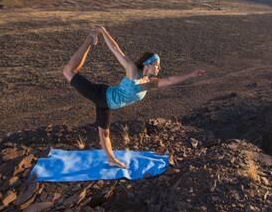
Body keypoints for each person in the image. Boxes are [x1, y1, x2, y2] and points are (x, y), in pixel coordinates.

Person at [62, 25, 207, 168]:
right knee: (68, 71)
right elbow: (116, 50)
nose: (159, 68)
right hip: (100, 95)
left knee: (105, 133)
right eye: (157, 65)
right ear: (148, 64)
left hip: (106, 105)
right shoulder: (132, 72)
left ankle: (111, 159)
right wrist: (102, 31)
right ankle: (90, 39)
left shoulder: (148, 83)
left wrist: (191, 74)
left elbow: (169, 80)